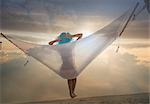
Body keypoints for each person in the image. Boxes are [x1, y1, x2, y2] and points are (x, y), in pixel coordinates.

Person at [49, 32, 82, 98]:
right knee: (71, 78)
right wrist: (71, 36)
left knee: (74, 77)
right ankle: (71, 93)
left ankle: (72, 92)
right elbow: (50, 43)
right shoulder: (62, 48)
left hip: (71, 64)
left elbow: (81, 35)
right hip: (67, 64)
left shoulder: (69, 46)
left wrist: (69, 36)